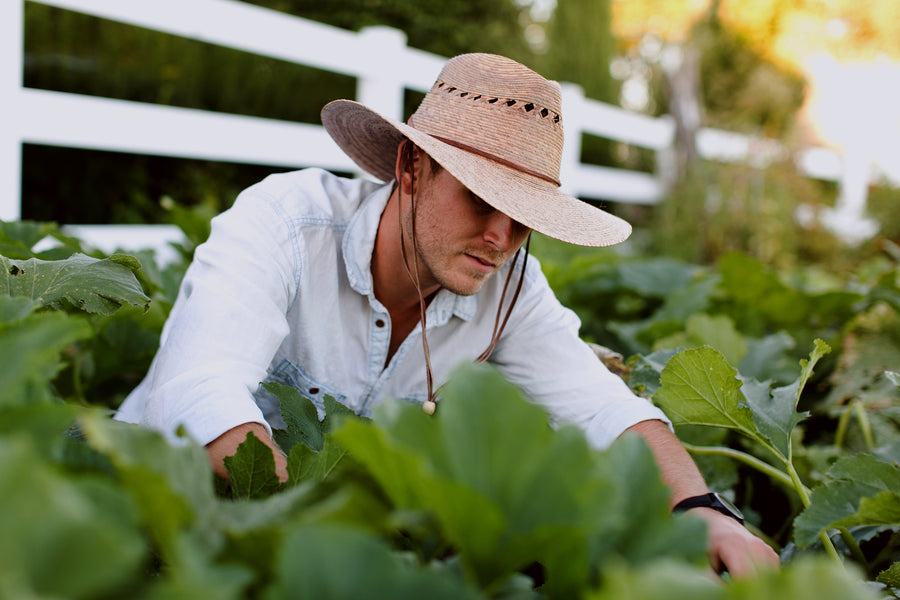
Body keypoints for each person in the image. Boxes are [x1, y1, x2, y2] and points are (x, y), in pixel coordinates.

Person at [115, 53, 779, 577]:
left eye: (523, 218)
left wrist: (705, 512)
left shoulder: (511, 287)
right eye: (478, 200)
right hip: (149, 528)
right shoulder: (287, 223)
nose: (500, 235)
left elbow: (603, 407)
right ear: (411, 166)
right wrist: (315, 542)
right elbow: (199, 390)